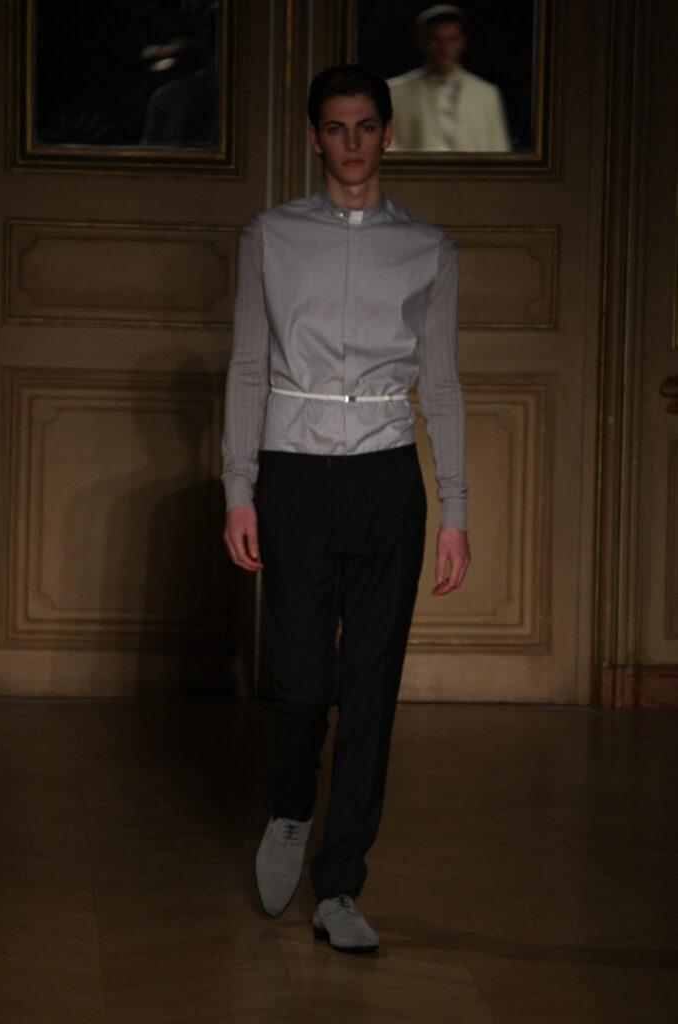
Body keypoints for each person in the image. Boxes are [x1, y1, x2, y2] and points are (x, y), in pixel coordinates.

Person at [222, 63, 469, 954]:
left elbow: (441, 383)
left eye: (366, 125)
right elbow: (248, 366)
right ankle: (291, 806)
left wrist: (455, 509)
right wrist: (238, 489)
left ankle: (340, 886)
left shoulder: (428, 249)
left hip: (385, 480)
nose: (352, 142)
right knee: (303, 682)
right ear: (314, 136)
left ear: (388, 133)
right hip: (292, 477)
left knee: (370, 687)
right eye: (335, 127)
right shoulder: (269, 236)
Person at [387, 5, 511, 152]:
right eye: (436, 39)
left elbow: (499, 148)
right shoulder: (395, 92)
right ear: (422, 42)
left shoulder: (487, 94)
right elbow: (390, 147)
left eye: (451, 39)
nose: (444, 47)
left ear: (462, 42)